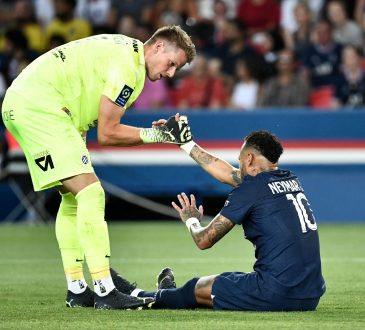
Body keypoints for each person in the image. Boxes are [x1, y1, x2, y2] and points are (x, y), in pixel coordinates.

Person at [1, 25, 196, 310]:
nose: (170, 74)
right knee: (92, 193)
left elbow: (82, 93)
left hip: (30, 103)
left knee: (73, 199)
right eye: (171, 64)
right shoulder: (130, 69)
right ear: (157, 47)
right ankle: (106, 290)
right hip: (41, 107)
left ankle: (77, 289)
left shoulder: (123, 51)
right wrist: (162, 135)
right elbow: (108, 133)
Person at [111, 130, 326, 311]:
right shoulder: (289, 179)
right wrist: (185, 143)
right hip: (311, 293)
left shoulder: (251, 189)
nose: (238, 164)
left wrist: (191, 221)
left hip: (277, 293)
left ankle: (137, 295)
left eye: (240, 159)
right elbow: (226, 173)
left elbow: (204, 240)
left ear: (249, 159)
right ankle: (167, 292)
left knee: (198, 288)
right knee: (225, 279)